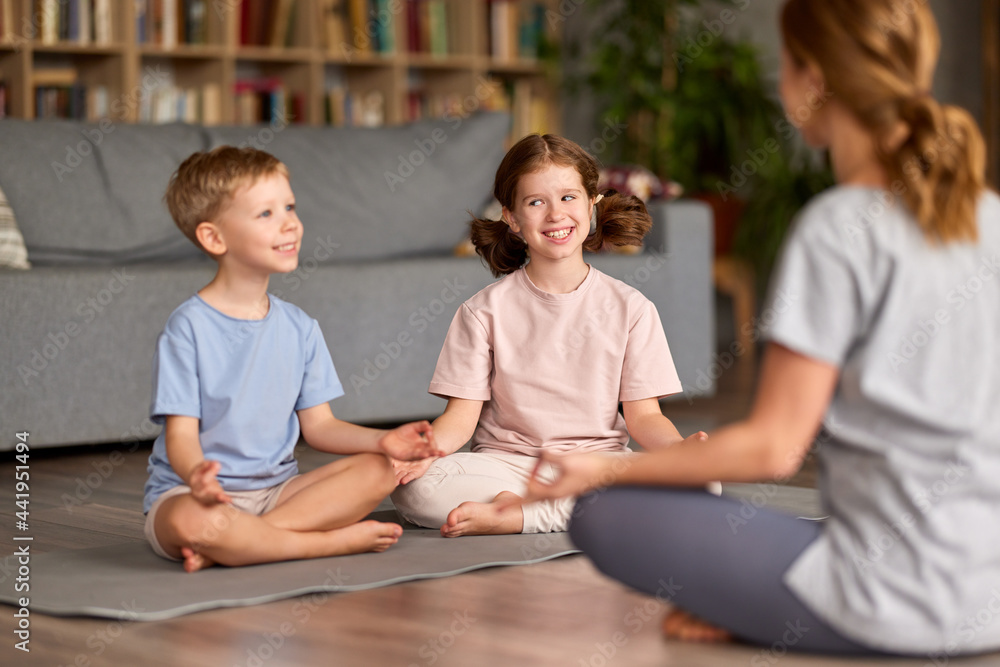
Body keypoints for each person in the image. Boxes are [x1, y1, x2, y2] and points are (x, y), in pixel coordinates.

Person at [517, 0, 1000, 657]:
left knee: (605, 512)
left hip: (895, 602)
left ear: (812, 79)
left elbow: (775, 446)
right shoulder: (988, 215)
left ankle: (771, 609)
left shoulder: (839, 227)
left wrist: (597, 468)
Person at [390, 133, 708, 538]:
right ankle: (562, 511)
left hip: (598, 467)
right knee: (415, 489)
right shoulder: (481, 311)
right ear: (512, 218)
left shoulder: (633, 308)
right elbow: (460, 420)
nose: (556, 215)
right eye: (536, 202)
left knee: (705, 483)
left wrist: (682, 453)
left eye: (568, 198)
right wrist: (423, 452)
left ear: (592, 203)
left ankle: (520, 517)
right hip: (509, 468)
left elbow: (646, 419)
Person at [144, 146, 442, 573]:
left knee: (379, 471)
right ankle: (321, 544)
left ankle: (248, 542)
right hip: (193, 497)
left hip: (276, 493)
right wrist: (196, 476)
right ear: (214, 237)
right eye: (265, 214)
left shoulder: (301, 327)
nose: (290, 223)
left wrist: (383, 440)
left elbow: (320, 427)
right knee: (196, 521)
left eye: (289, 206)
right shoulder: (187, 328)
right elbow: (181, 438)